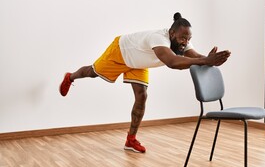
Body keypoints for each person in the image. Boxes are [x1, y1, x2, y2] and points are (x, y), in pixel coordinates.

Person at [59, 12, 231, 153]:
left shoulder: (182, 40)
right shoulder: (158, 38)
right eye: (182, 39)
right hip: (121, 51)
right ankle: (70, 77)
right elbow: (173, 63)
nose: (185, 43)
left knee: (142, 96)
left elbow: (195, 56)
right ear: (172, 34)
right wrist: (205, 61)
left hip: (138, 62)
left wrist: (209, 59)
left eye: (188, 39)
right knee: (92, 72)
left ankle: (130, 140)